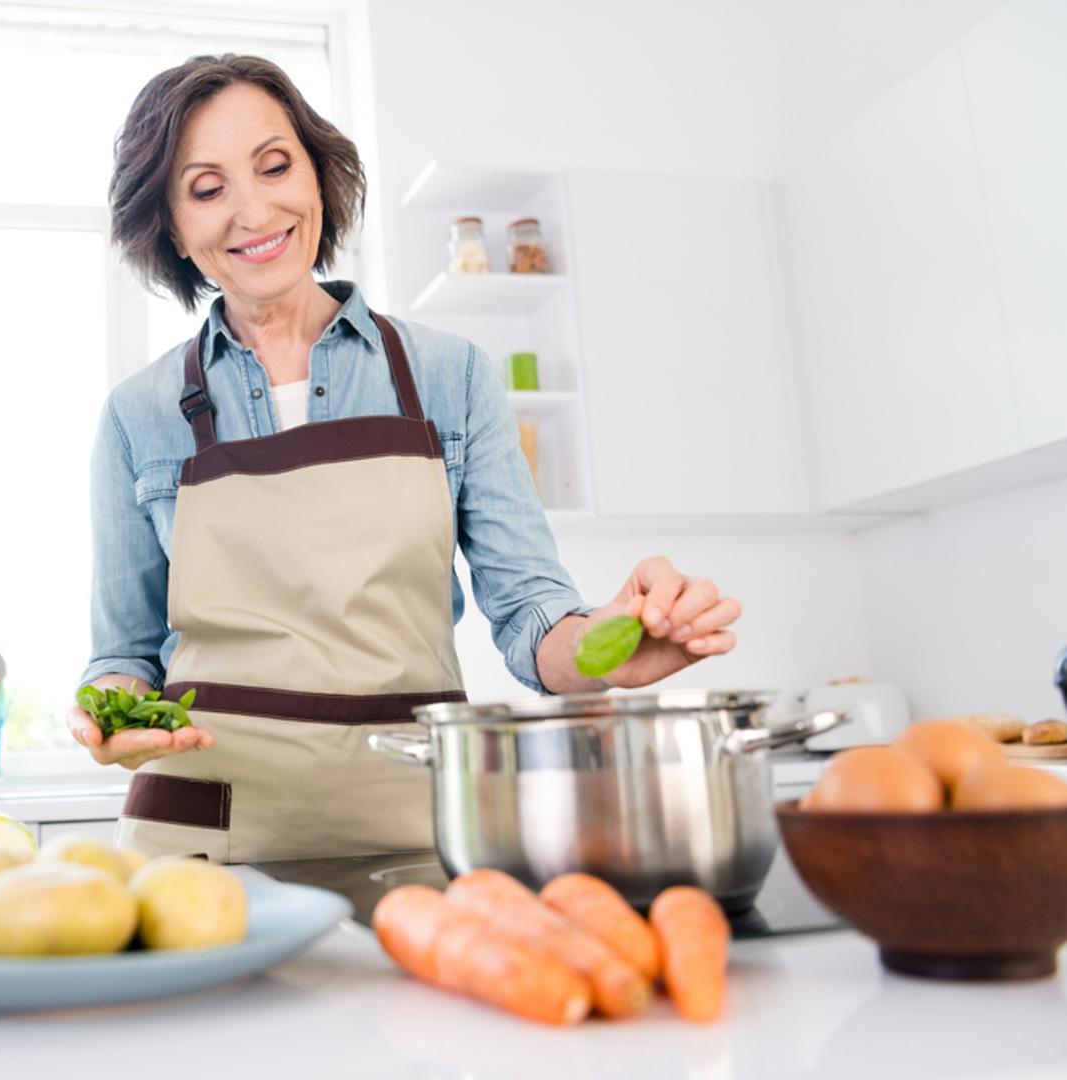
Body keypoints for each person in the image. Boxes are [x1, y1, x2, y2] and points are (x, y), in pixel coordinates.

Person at [68, 54, 741, 862]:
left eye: (275, 166)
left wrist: (616, 645)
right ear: (171, 227)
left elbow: (531, 617)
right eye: (207, 189)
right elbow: (124, 657)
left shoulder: (448, 376)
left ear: (318, 176)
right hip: (196, 846)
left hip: (415, 828)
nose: (253, 211)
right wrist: (107, 712)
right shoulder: (136, 416)